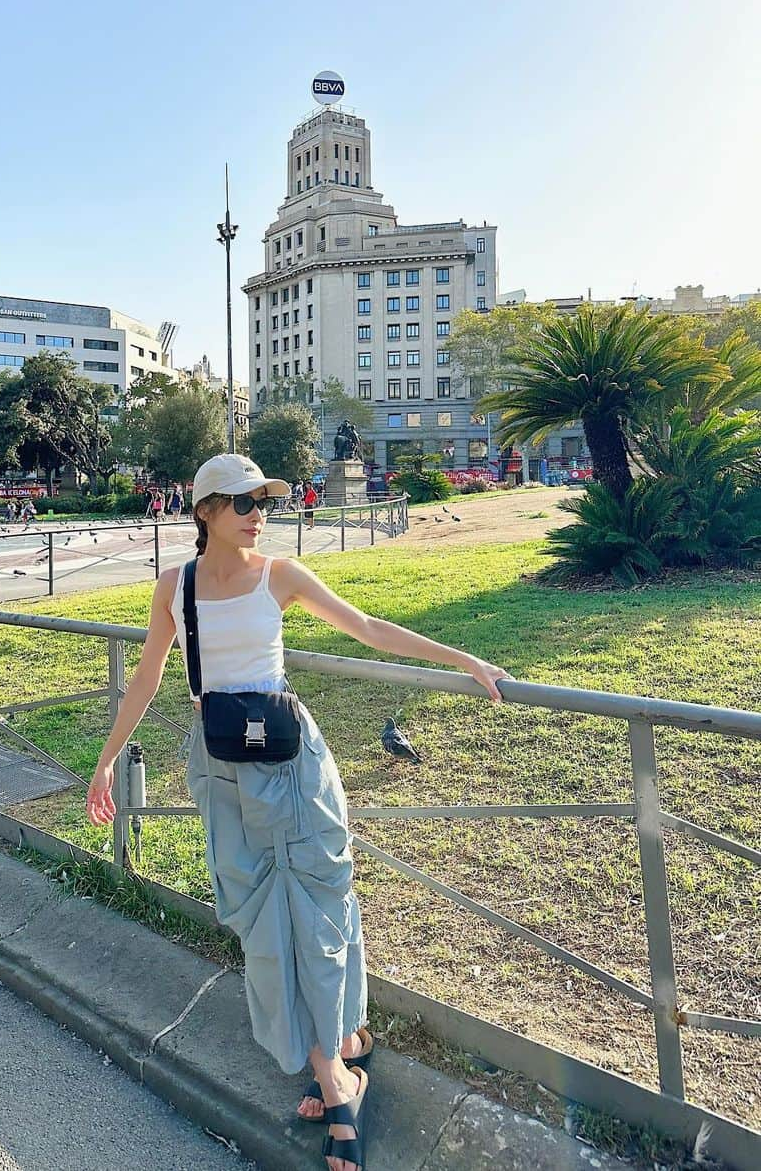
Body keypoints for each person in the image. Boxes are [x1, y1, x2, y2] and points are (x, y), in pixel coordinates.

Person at [86, 453, 510, 1171]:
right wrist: (104, 760)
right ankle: (338, 1056)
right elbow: (150, 676)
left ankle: (337, 1064)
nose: (259, 513)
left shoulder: (279, 576)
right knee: (261, 920)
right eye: (244, 501)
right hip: (222, 772)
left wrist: (461, 659)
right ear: (206, 511)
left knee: (318, 900)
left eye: (265, 502)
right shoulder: (174, 587)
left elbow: (367, 626)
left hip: (294, 763)